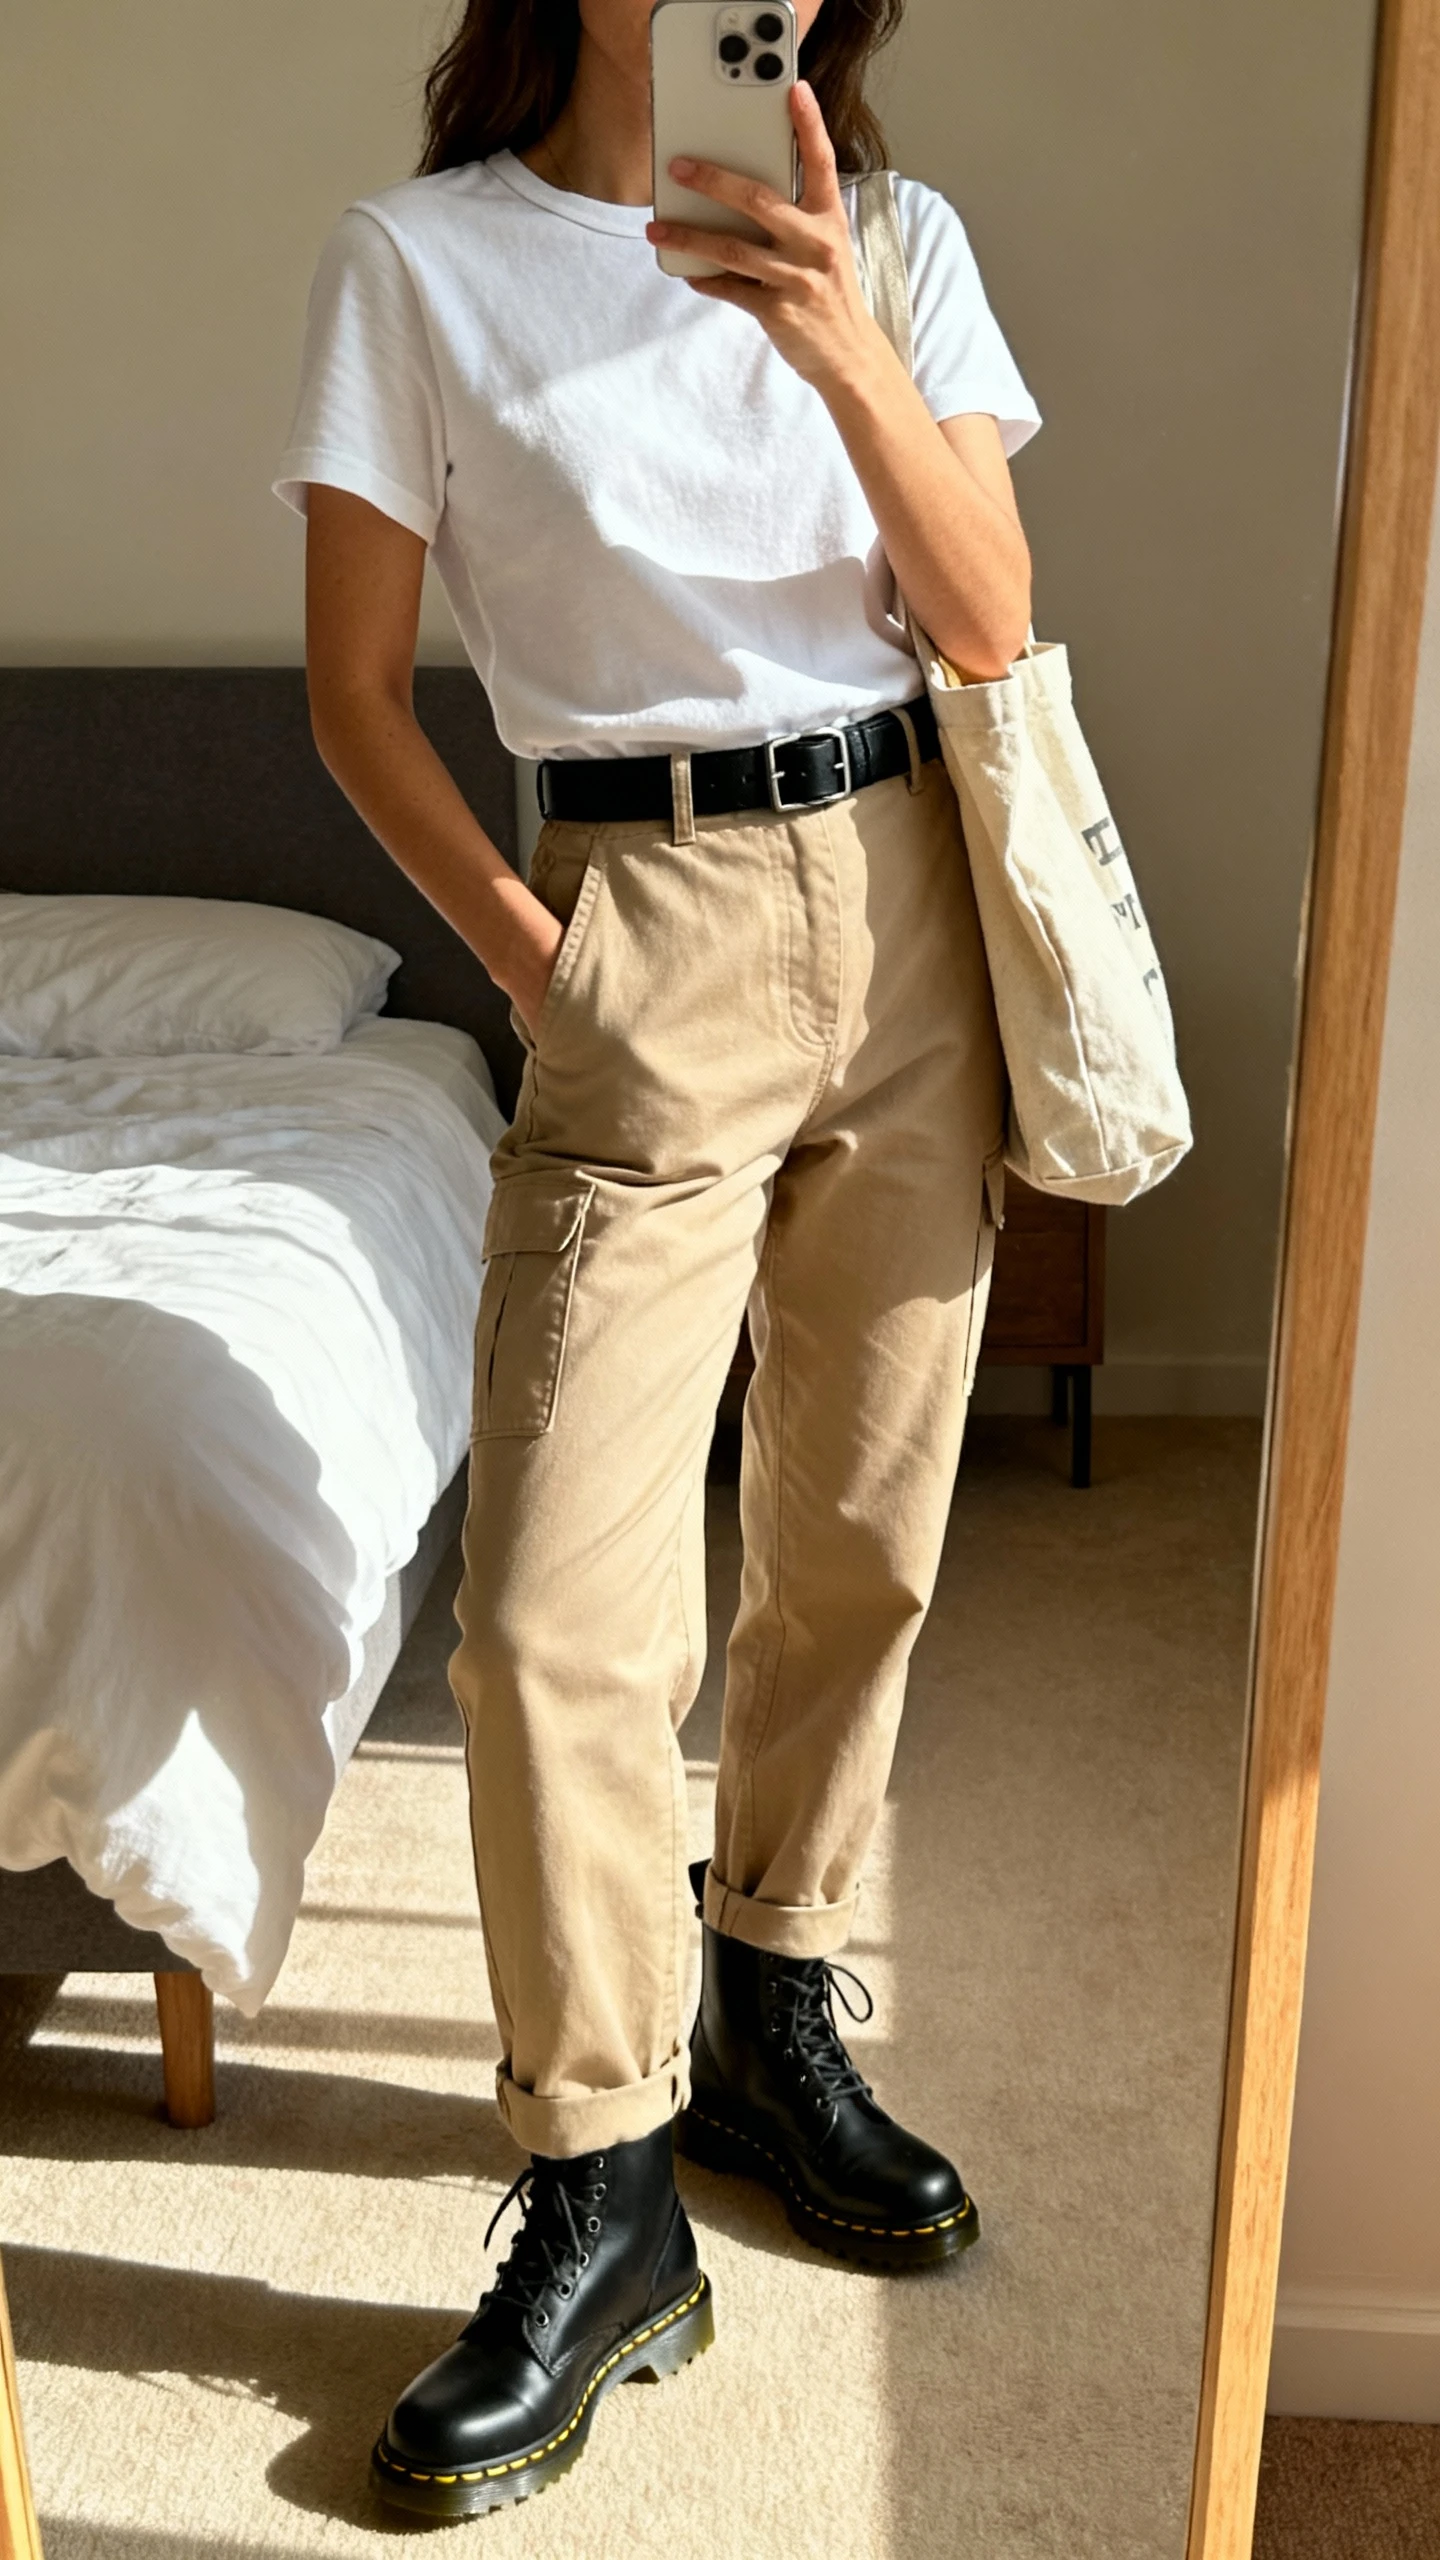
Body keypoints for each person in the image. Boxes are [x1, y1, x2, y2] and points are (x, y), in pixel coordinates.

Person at [276, 0, 1038, 2520]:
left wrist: (835, 335)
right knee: (550, 1609)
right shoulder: (424, 266)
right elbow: (361, 694)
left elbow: (991, 604)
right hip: (639, 907)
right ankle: (601, 2176)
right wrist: (535, 951)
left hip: (913, 888)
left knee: (862, 1532)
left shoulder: (894, 236)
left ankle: (773, 2005)